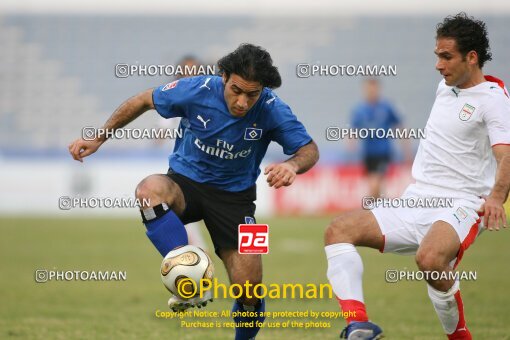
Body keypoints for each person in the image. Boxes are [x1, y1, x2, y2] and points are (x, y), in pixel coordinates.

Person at [69, 43, 319, 340]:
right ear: (223, 76)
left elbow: (309, 149)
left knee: (250, 289)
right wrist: (99, 138)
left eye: (252, 94)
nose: (242, 102)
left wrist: (292, 166)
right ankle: (188, 276)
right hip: (185, 184)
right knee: (149, 190)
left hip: (238, 200)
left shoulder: (272, 107)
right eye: (236, 90)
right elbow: (143, 100)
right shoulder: (197, 89)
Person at [324, 13, 510, 339]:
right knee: (338, 231)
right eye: (437, 56)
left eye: (446, 56)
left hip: (463, 204)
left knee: (430, 258)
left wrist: (496, 197)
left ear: (472, 57)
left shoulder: (494, 102)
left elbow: (505, 153)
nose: (438, 64)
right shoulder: (446, 87)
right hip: (416, 198)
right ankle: (358, 327)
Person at [350, 78, 403, 198]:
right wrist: (351, 146)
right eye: (368, 88)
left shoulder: (387, 107)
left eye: (374, 88)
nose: (371, 91)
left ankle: (369, 211)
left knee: (375, 184)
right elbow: (353, 129)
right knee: (376, 187)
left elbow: (399, 125)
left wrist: (406, 148)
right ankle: (380, 211)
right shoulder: (359, 110)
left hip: (383, 151)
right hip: (368, 153)